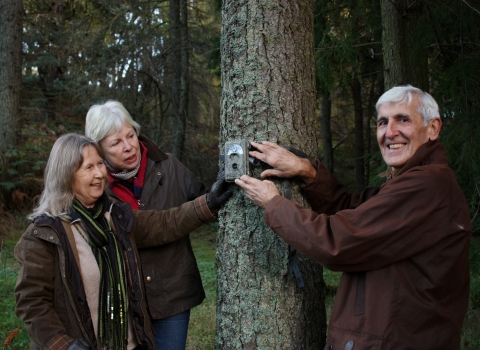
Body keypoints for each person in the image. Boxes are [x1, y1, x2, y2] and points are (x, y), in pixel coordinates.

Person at [235, 85, 471, 349]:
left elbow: (339, 242)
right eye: (383, 122)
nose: (389, 132)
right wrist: (309, 172)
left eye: (403, 119)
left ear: (433, 129)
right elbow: (354, 209)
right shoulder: (412, 182)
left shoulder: (428, 185)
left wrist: (273, 204)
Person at [14, 133, 230, 350]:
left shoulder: (115, 215)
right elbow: (31, 303)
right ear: (66, 174)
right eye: (88, 168)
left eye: (100, 163)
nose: (99, 174)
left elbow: (164, 223)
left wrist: (209, 203)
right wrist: (63, 345)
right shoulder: (45, 234)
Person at [84, 100, 220, 350]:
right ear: (99, 150)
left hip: (172, 294)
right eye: (116, 143)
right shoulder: (94, 187)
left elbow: (208, 200)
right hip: (122, 300)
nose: (128, 146)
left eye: (131, 135)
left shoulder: (170, 166)